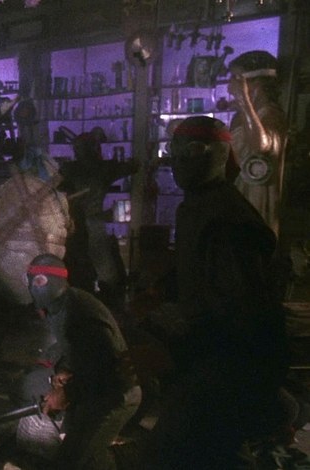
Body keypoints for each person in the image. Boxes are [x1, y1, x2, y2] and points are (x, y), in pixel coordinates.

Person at [141, 116, 289, 469]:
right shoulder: (198, 206)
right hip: (211, 354)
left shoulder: (226, 218)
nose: (178, 161)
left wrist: (180, 336)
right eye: (174, 151)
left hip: (230, 362)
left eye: (191, 151)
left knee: (182, 449)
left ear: (217, 155)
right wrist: (164, 290)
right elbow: (199, 272)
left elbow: (241, 309)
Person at [18, 253, 141, 469]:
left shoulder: (79, 312)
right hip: (96, 391)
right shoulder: (60, 306)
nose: (33, 288)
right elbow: (78, 351)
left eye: (38, 281)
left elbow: (106, 369)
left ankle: (128, 458)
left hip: (115, 395)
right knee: (83, 454)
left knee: (73, 460)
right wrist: (65, 370)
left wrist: (66, 393)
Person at [58, 132, 137, 315]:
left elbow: (57, 189)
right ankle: (107, 308)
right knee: (103, 269)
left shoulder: (71, 169)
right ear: (96, 148)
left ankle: (86, 305)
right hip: (90, 222)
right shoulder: (102, 168)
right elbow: (134, 166)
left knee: (80, 266)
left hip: (74, 224)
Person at [227, 50, 288, 237]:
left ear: (254, 82)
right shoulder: (239, 118)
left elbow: (261, 145)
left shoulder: (271, 114)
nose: (230, 86)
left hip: (259, 198)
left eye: (236, 79)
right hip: (238, 195)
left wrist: (243, 100)